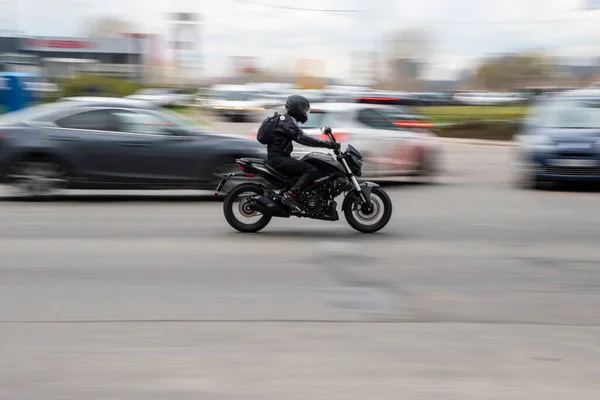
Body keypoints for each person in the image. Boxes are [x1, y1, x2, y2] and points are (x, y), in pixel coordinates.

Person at [267, 94, 338, 211]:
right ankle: (290, 195)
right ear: (296, 108)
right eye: (304, 109)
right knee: (311, 170)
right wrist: (326, 144)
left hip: (280, 157)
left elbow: (301, 135)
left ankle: (294, 194)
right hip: (278, 159)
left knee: (303, 165)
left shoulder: (289, 120)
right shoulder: (286, 121)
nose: (305, 112)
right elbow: (301, 137)